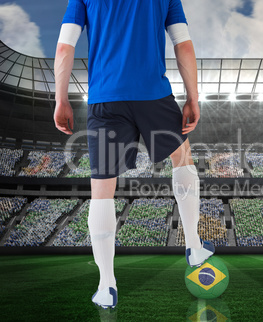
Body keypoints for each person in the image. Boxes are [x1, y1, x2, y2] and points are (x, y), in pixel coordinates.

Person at [54, 0, 214, 309]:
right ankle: (194, 247)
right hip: (153, 94)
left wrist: (61, 101)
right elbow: (183, 44)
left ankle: (106, 286)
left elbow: (64, 48)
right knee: (182, 159)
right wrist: (192, 98)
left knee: (101, 191)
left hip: (105, 98)